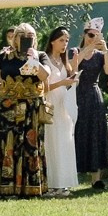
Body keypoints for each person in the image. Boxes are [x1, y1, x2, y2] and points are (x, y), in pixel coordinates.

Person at [0, 24, 49, 198]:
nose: (27, 39)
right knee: (6, 144)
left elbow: (45, 75)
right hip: (8, 106)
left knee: (30, 144)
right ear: (15, 38)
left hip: (32, 107)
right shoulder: (6, 56)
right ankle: (3, 188)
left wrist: (33, 59)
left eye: (31, 36)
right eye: (23, 35)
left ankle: (29, 188)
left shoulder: (40, 56)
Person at [71, 20, 108, 190]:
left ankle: (96, 178)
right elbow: (72, 68)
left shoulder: (100, 54)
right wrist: (88, 48)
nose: (92, 38)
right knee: (77, 131)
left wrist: (106, 50)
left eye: (95, 36)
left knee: (95, 132)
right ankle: (74, 172)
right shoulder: (74, 51)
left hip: (94, 95)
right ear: (83, 35)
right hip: (77, 94)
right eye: (90, 35)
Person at [42, 26, 80, 197]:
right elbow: (42, 87)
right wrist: (61, 83)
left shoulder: (64, 61)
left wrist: (74, 75)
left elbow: (71, 79)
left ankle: (63, 183)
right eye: (61, 40)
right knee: (51, 142)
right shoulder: (45, 60)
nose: (64, 44)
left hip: (65, 105)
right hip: (51, 103)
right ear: (52, 41)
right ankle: (51, 184)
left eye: (66, 40)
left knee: (65, 142)